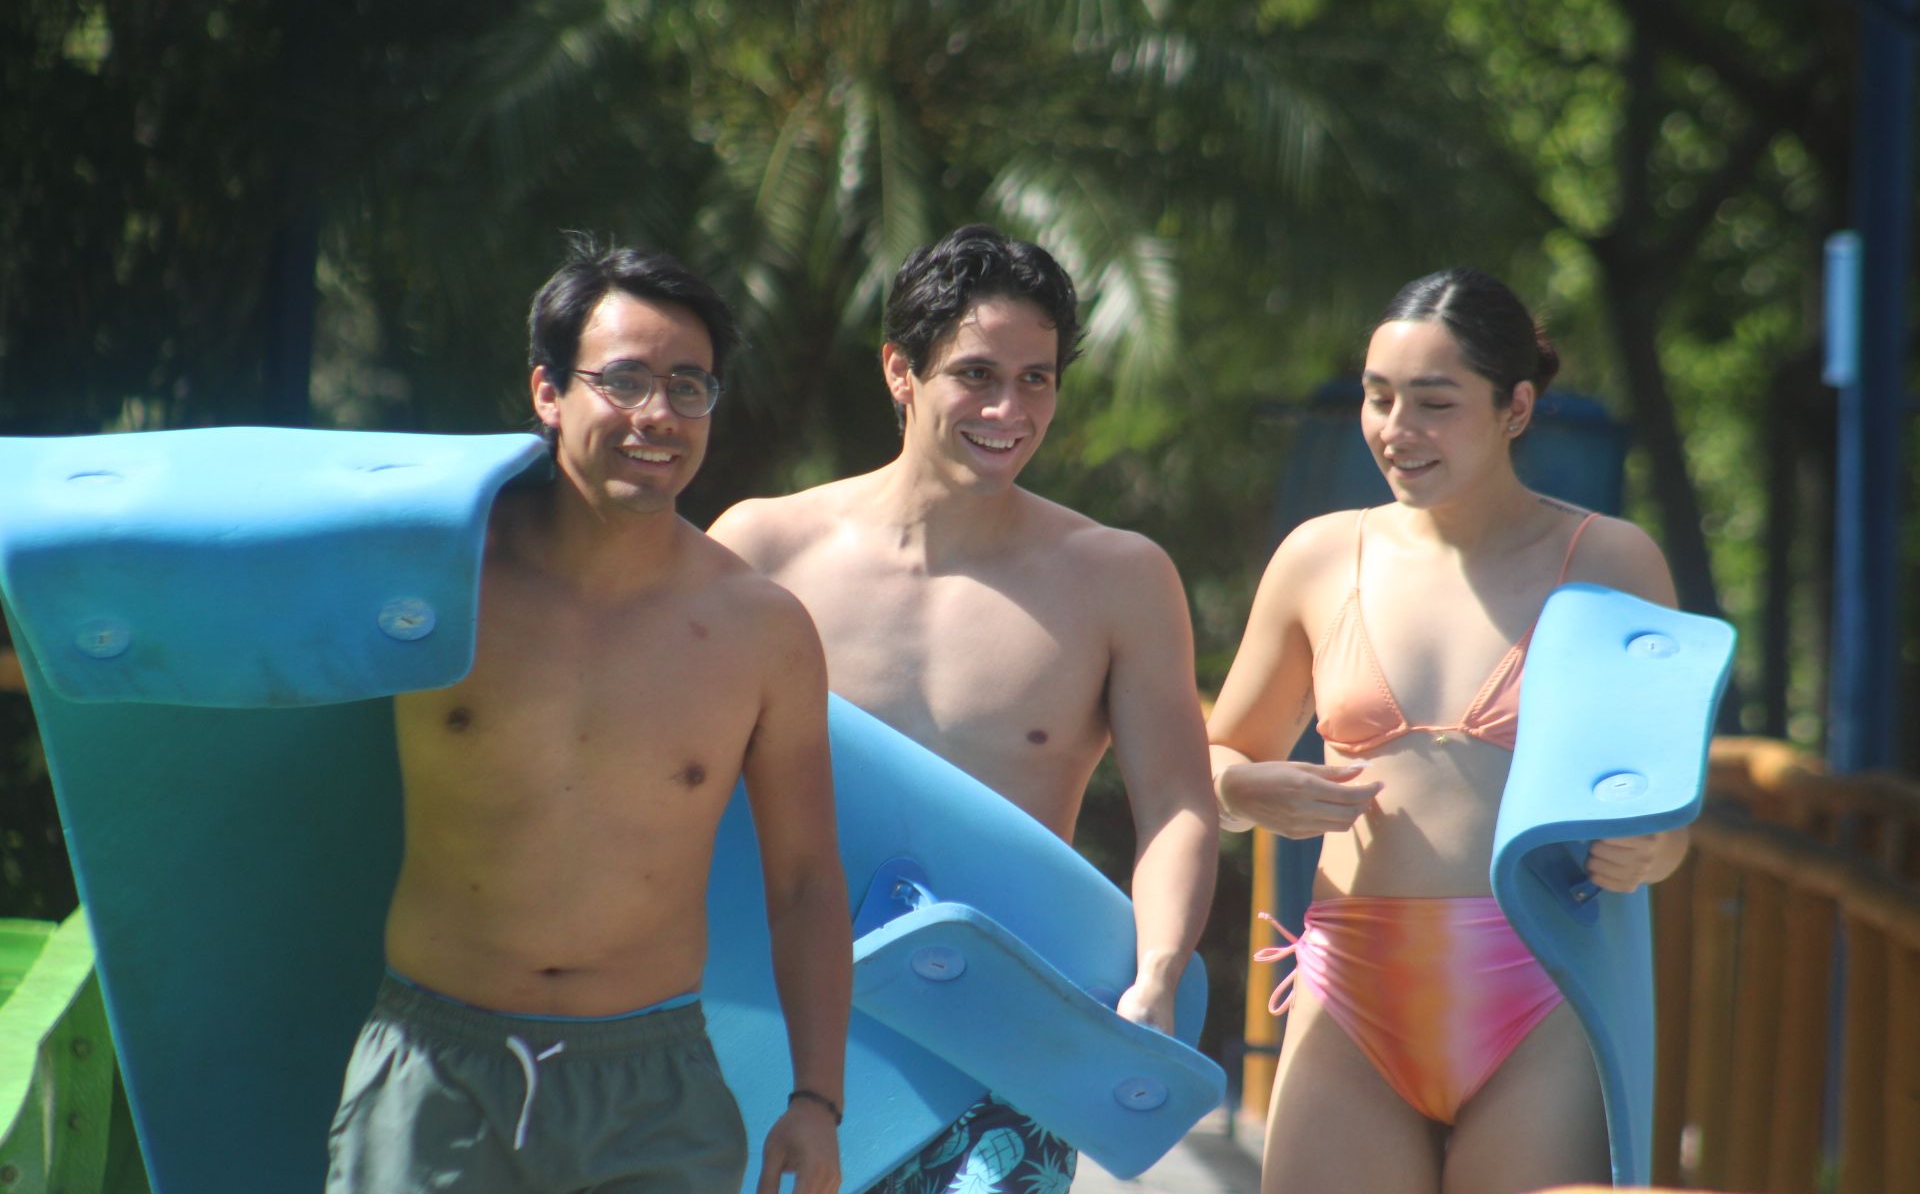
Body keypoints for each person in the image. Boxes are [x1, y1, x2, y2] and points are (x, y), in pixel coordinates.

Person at [326, 239, 852, 1194]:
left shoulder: (761, 632)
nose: (659, 415)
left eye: (689, 387)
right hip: (435, 1068)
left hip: (653, 1094)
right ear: (548, 391)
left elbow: (808, 883)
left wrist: (816, 1100)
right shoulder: (436, 582)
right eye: (626, 380)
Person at [709, 224, 1218, 1194]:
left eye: (1037, 380)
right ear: (900, 370)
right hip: (775, 1023)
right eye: (976, 374)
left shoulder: (1119, 579)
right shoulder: (766, 549)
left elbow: (1179, 805)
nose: (1008, 409)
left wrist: (1156, 972)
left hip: (999, 1049)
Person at [1207, 268, 1688, 1194]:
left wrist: (1653, 850)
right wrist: (1241, 787)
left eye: (1434, 402)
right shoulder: (1318, 556)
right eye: (1378, 397)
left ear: (1516, 407)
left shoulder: (1611, 561)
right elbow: (1217, 759)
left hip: (1544, 988)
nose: (1397, 428)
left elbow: (1666, 809)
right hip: (1350, 989)